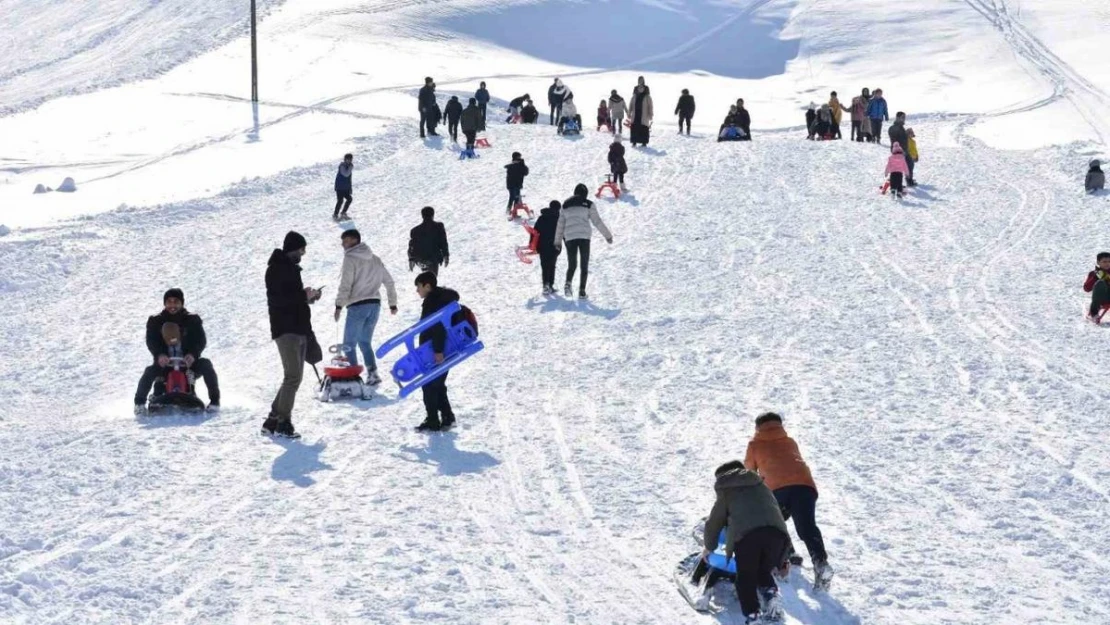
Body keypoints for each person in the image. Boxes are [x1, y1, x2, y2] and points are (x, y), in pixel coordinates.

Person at [744, 413, 834, 587]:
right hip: (804, 485)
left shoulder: (754, 444)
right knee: (807, 526)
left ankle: (788, 554)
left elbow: (749, 472)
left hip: (777, 489)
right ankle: (820, 562)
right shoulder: (790, 441)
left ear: (758, 427)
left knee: (772, 522)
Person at [701, 460, 790, 624]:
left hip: (749, 536)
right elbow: (775, 513)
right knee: (762, 570)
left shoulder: (726, 490)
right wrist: (784, 557)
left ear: (724, 476)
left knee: (745, 578)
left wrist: (709, 547)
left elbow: (714, 523)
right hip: (778, 535)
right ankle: (771, 594)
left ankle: (752, 615)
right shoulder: (760, 485)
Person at [264, 231, 322, 439]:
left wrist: (308, 297)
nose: (303, 253)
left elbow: (292, 299)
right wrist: (302, 295)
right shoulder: (276, 269)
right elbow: (279, 300)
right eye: (301, 249)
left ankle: (272, 419)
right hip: (286, 329)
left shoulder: (289, 269)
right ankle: (283, 423)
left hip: (298, 328)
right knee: (292, 377)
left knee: (293, 378)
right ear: (293, 248)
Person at [134, 288, 220, 413]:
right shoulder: (156, 321)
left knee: (206, 364)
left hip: (188, 364)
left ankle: (214, 402)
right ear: (165, 303)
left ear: (181, 303)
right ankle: (140, 404)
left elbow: (200, 340)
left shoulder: (192, 320)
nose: (172, 305)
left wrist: (192, 354)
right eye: (169, 302)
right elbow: (151, 341)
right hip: (165, 364)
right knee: (150, 372)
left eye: (176, 302)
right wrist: (159, 355)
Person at [334, 229, 398, 385]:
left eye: (346, 240)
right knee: (364, 342)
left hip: (357, 305)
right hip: (374, 305)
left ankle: (353, 378)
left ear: (355, 240)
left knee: (349, 344)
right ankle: (373, 373)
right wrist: (392, 303)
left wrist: (338, 305)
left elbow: (346, 284)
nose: (343, 244)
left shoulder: (350, 258)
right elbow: (389, 281)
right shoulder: (375, 259)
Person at [413, 271, 459, 431]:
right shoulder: (439, 299)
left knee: (429, 384)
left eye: (419, 287)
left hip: (436, 349)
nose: (417, 291)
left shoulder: (435, 301)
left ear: (427, 285)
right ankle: (447, 417)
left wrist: (438, 350)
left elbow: (438, 326)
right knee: (437, 384)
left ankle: (433, 419)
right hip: (436, 348)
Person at [554, 183, 613, 299]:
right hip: (584, 238)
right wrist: (607, 235)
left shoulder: (565, 205)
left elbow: (560, 225)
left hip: (570, 238)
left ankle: (568, 283)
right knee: (584, 265)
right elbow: (597, 221)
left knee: (572, 264)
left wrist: (557, 242)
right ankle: (582, 292)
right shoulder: (588, 204)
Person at [408, 206, 450, 275]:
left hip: (420, 259)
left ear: (422, 216)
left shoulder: (415, 230)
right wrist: (446, 255)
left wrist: (411, 259)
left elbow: (412, 246)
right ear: (433, 215)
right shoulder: (438, 226)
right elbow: (443, 242)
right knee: (431, 279)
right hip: (433, 259)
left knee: (426, 279)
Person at [534, 200, 561, 295]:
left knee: (544, 266)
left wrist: (533, 245)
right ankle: (551, 285)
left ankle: (546, 284)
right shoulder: (559, 219)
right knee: (552, 265)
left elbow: (535, 232)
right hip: (555, 247)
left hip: (542, 245)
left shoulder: (542, 218)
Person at [888, 112, 914, 185]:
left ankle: (909, 180)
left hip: (905, 150)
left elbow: (903, 138)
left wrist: (906, 134)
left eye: (904, 117)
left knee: (910, 163)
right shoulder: (893, 128)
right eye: (902, 117)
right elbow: (895, 139)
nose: (904, 119)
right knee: (897, 168)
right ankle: (894, 183)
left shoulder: (901, 128)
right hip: (898, 151)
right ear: (897, 118)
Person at [1084, 252, 1110, 322]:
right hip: (1103, 299)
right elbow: (1086, 289)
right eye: (1104, 261)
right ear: (1098, 262)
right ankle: (1094, 313)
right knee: (1100, 282)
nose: (1107, 263)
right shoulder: (1093, 274)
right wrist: (1095, 278)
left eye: (1109, 261)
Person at [334, 153, 353, 220]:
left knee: (349, 199)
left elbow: (349, 179)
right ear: (345, 159)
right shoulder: (342, 166)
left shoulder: (349, 166)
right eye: (348, 159)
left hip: (346, 188)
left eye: (350, 159)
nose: (349, 161)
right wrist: (350, 167)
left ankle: (343, 213)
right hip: (339, 187)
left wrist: (350, 188)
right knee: (340, 201)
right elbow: (346, 174)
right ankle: (335, 215)